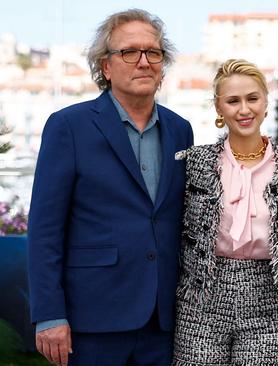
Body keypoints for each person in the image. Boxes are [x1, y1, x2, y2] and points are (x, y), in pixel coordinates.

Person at [27, 9, 193, 366]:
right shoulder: (68, 127)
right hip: (91, 320)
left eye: (154, 52)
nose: (144, 62)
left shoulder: (181, 130)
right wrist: (49, 314)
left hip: (162, 322)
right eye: (129, 52)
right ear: (105, 67)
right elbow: (44, 229)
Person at [172, 59, 278, 365]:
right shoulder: (194, 163)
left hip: (270, 300)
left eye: (252, 98)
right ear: (219, 109)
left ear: (265, 102)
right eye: (233, 101)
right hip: (201, 298)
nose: (244, 109)